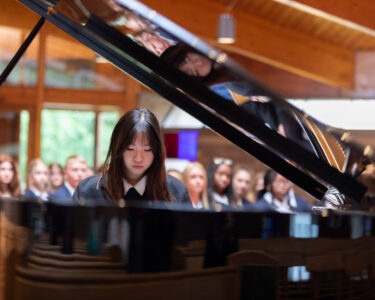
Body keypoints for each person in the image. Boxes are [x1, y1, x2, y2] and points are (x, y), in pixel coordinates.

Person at [73, 108, 190, 204]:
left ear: (157, 151)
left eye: (147, 149)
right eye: (130, 148)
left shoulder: (176, 192)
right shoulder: (88, 191)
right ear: (117, 147)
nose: (138, 158)